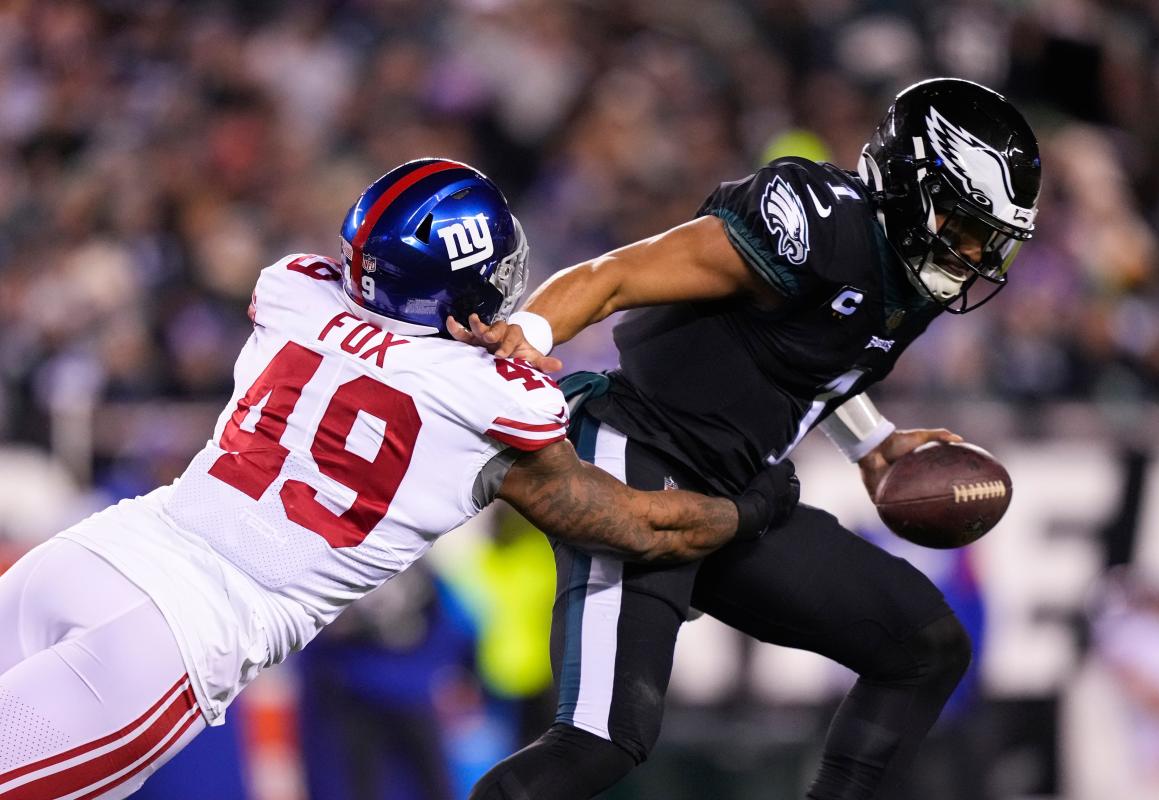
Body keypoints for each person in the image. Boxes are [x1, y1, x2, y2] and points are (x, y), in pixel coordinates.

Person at [0, 158, 800, 800]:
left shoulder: (292, 291)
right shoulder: (496, 402)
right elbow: (635, 524)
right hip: (174, 638)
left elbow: (359, 316)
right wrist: (753, 507)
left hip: (91, 556)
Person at [457, 78, 1043, 799]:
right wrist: (532, 332)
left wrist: (873, 443)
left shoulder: (912, 275)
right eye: (961, 226)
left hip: (737, 496)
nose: (973, 254)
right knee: (601, 741)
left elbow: (820, 354)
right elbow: (614, 276)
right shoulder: (815, 223)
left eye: (991, 240)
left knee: (925, 648)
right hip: (640, 456)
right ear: (904, 186)